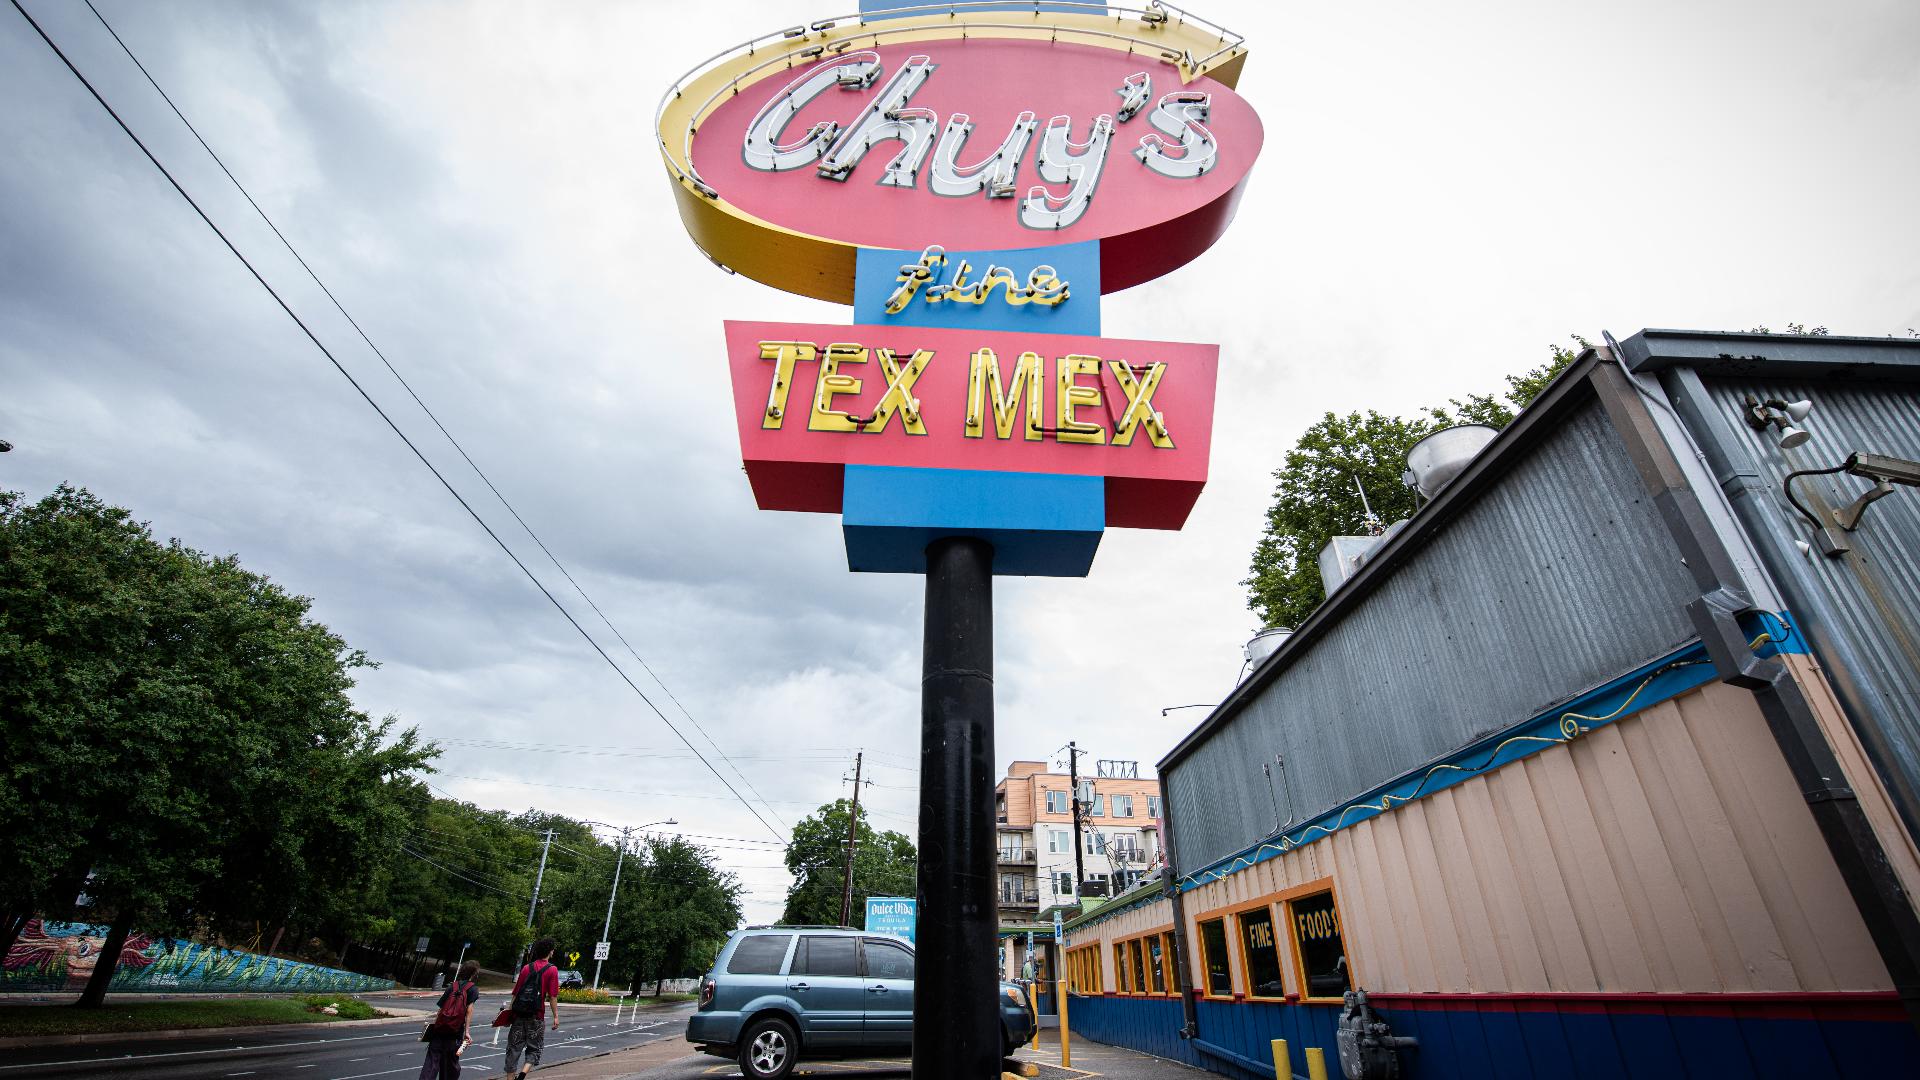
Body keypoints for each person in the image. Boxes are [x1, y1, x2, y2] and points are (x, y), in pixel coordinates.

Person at [503, 938, 561, 1077]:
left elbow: (516, 993)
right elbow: (552, 996)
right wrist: (556, 1016)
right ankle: (522, 1075)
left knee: (513, 1049)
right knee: (535, 1048)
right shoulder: (552, 970)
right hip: (536, 1016)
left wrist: (509, 1013)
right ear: (550, 952)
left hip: (519, 1015)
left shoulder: (526, 968)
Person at [419, 960, 480, 1079]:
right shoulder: (472, 989)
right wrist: (467, 1032)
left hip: (439, 1030)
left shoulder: (452, 986)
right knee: (450, 1065)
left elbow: (441, 1009)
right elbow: (469, 1011)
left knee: (432, 1061)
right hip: (454, 1032)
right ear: (474, 974)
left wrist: (436, 1025)